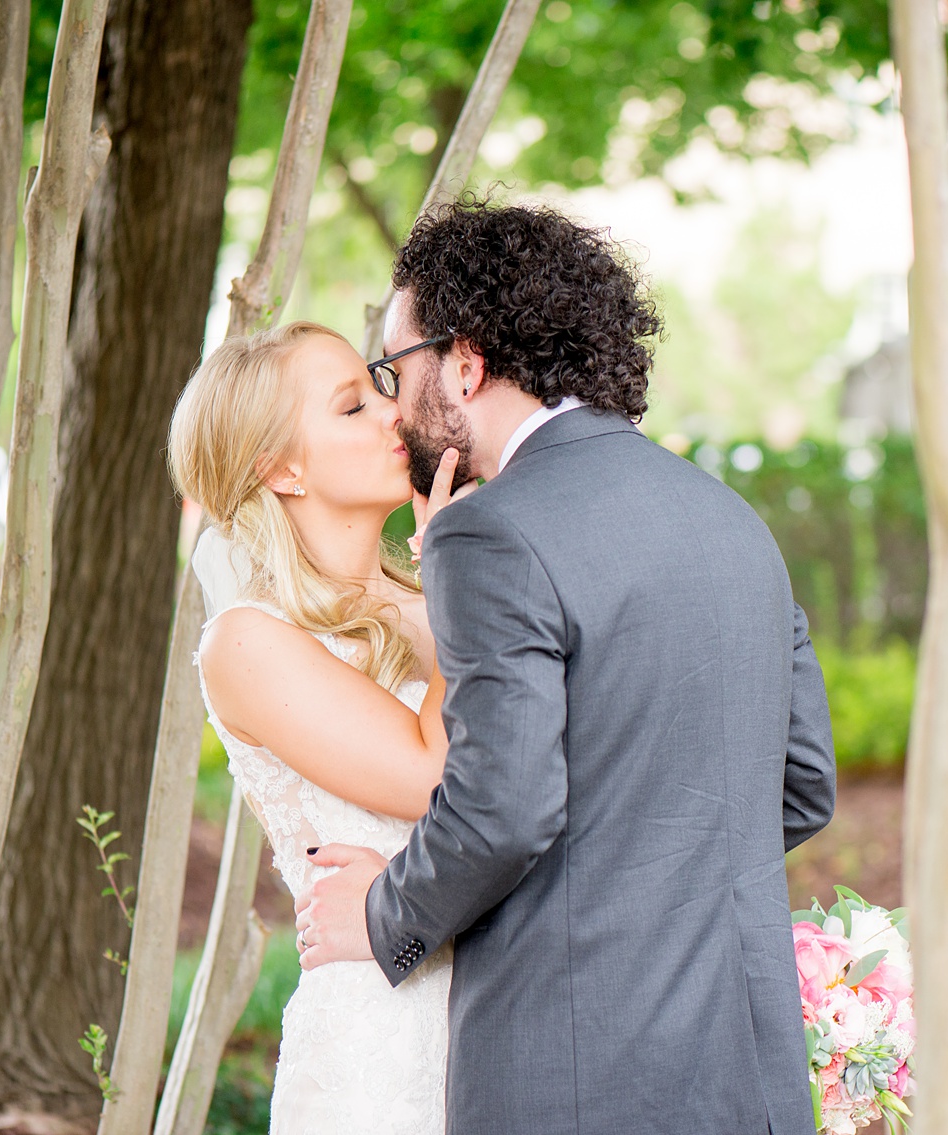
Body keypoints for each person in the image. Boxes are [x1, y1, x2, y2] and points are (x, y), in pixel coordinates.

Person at [293, 199, 838, 1135]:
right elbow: (801, 783)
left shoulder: (488, 531)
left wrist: (385, 912)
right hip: (748, 1076)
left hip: (576, 1077)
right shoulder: (731, 519)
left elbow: (504, 808)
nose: (392, 399)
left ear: (464, 363)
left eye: (395, 365)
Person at [169, 319, 468, 1133]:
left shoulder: (429, 602)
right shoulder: (249, 641)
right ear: (280, 467)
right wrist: (460, 590)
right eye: (350, 407)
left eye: (378, 387)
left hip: (501, 1016)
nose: (391, 412)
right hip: (382, 1042)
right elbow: (436, 779)